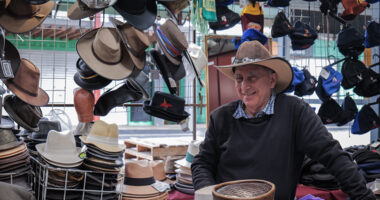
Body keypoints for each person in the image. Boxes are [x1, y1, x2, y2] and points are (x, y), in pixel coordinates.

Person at [191, 41, 375, 200]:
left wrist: (363, 196)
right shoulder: (220, 118)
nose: (244, 86)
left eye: (252, 78)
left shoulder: (295, 112)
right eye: (238, 79)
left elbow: (332, 155)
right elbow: (202, 163)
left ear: (272, 80)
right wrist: (208, 195)